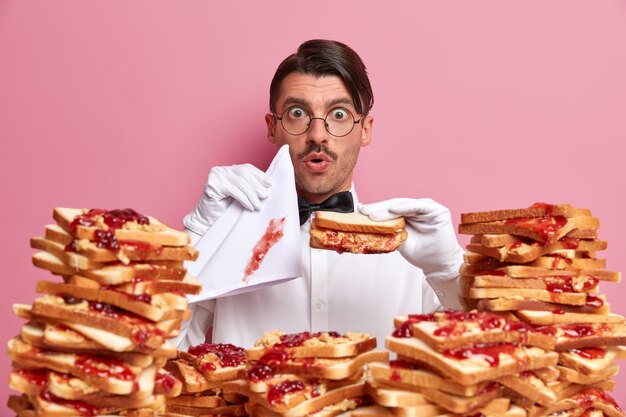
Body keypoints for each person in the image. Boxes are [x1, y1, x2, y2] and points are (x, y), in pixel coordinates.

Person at [177, 39, 463, 349]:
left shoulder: (413, 250)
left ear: (365, 128)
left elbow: (480, 360)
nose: (318, 135)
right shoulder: (229, 240)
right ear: (272, 128)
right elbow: (155, 356)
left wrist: (448, 272)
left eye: (338, 115)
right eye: (298, 113)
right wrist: (197, 239)